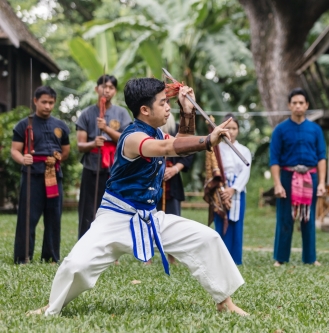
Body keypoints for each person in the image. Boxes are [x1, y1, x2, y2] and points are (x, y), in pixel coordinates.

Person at [27, 78, 247, 316]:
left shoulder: (156, 133)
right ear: (144, 110)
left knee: (207, 238)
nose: (167, 108)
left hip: (148, 217)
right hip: (114, 217)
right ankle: (51, 307)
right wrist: (208, 140)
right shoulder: (132, 137)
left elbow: (178, 143)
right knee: (76, 265)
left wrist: (187, 110)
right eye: (163, 103)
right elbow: (166, 149)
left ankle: (225, 302)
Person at [10, 86, 70, 264]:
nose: (47, 106)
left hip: (54, 176)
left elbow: (65, 152)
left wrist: (58, 158)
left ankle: (51, 257)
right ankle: (23, 257)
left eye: (51, 102)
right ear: (35, 101)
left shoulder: (61, 126)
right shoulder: (24, 125)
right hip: (32, 176)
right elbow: (15, 150)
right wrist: (23, 159)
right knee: (28, 217)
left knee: (54, 217)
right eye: (44, 102)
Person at [270, 88, 326, 267]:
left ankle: (310, 258)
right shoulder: (280, 130)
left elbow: (322, 158)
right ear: (289, 105)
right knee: (285, 217)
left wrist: (322, 183)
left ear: (307, 105)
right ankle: (280, 258)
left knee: (307, 217)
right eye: (294, 103)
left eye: (301, 102)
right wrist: (277, 184)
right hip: (287, 176)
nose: (298, 106)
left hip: (310, 177)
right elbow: (274, 159)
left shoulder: (315, 129)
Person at [76, 74, 132, 239]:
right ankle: (85, 244)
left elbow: (126, 139)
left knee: (113, 208)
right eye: (104, 87)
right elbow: (80, 145)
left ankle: (111, 248)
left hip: (115, 168)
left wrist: (106, 129)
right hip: (91, 166)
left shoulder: (121, 113)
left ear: (115, 91)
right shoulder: (86, 114)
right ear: (96, 89)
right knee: (88, 208)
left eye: (111, 88)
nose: (107, 90)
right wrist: (93, 144)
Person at [154, 113, 194, 265]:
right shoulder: (149, 132)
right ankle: (148, 257)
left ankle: (172, 257)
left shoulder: (177, 129)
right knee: (150, 218)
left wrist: (175, 169)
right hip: (152, 183)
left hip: (173, 182)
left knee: (173, 219)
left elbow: (188, 154)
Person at [213, 114, 252, 265]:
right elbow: (213, 170)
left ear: (238, 130)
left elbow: (245, 172)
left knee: (236, 225)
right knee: (221, 223)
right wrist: (223, 190)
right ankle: (221, 260)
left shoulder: (244, 150)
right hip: (220, 191)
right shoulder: (216, 149)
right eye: (228, 128)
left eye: (234, 128)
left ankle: (235, 260)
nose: (231, 131)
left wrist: (233, 189)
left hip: (238, 192)